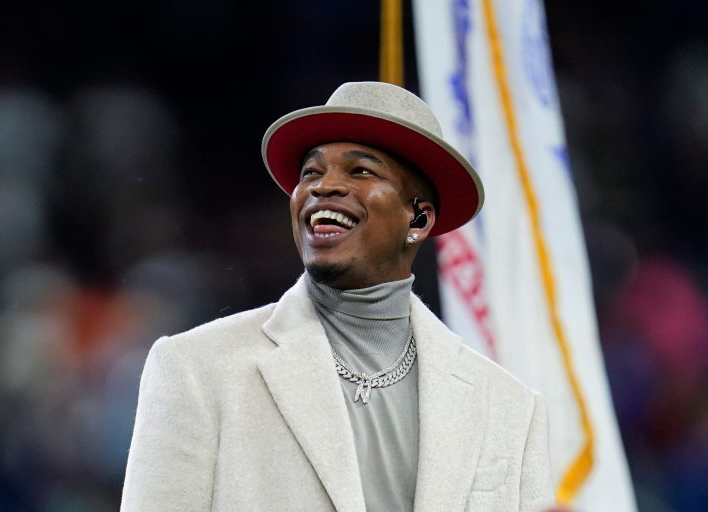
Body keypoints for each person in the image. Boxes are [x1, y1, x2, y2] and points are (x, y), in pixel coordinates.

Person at [120, 81, 555, 511]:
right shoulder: (197, 369)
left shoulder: (509, 409)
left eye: (361, 171)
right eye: (311, 171)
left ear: (418, 218)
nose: (322, 186)